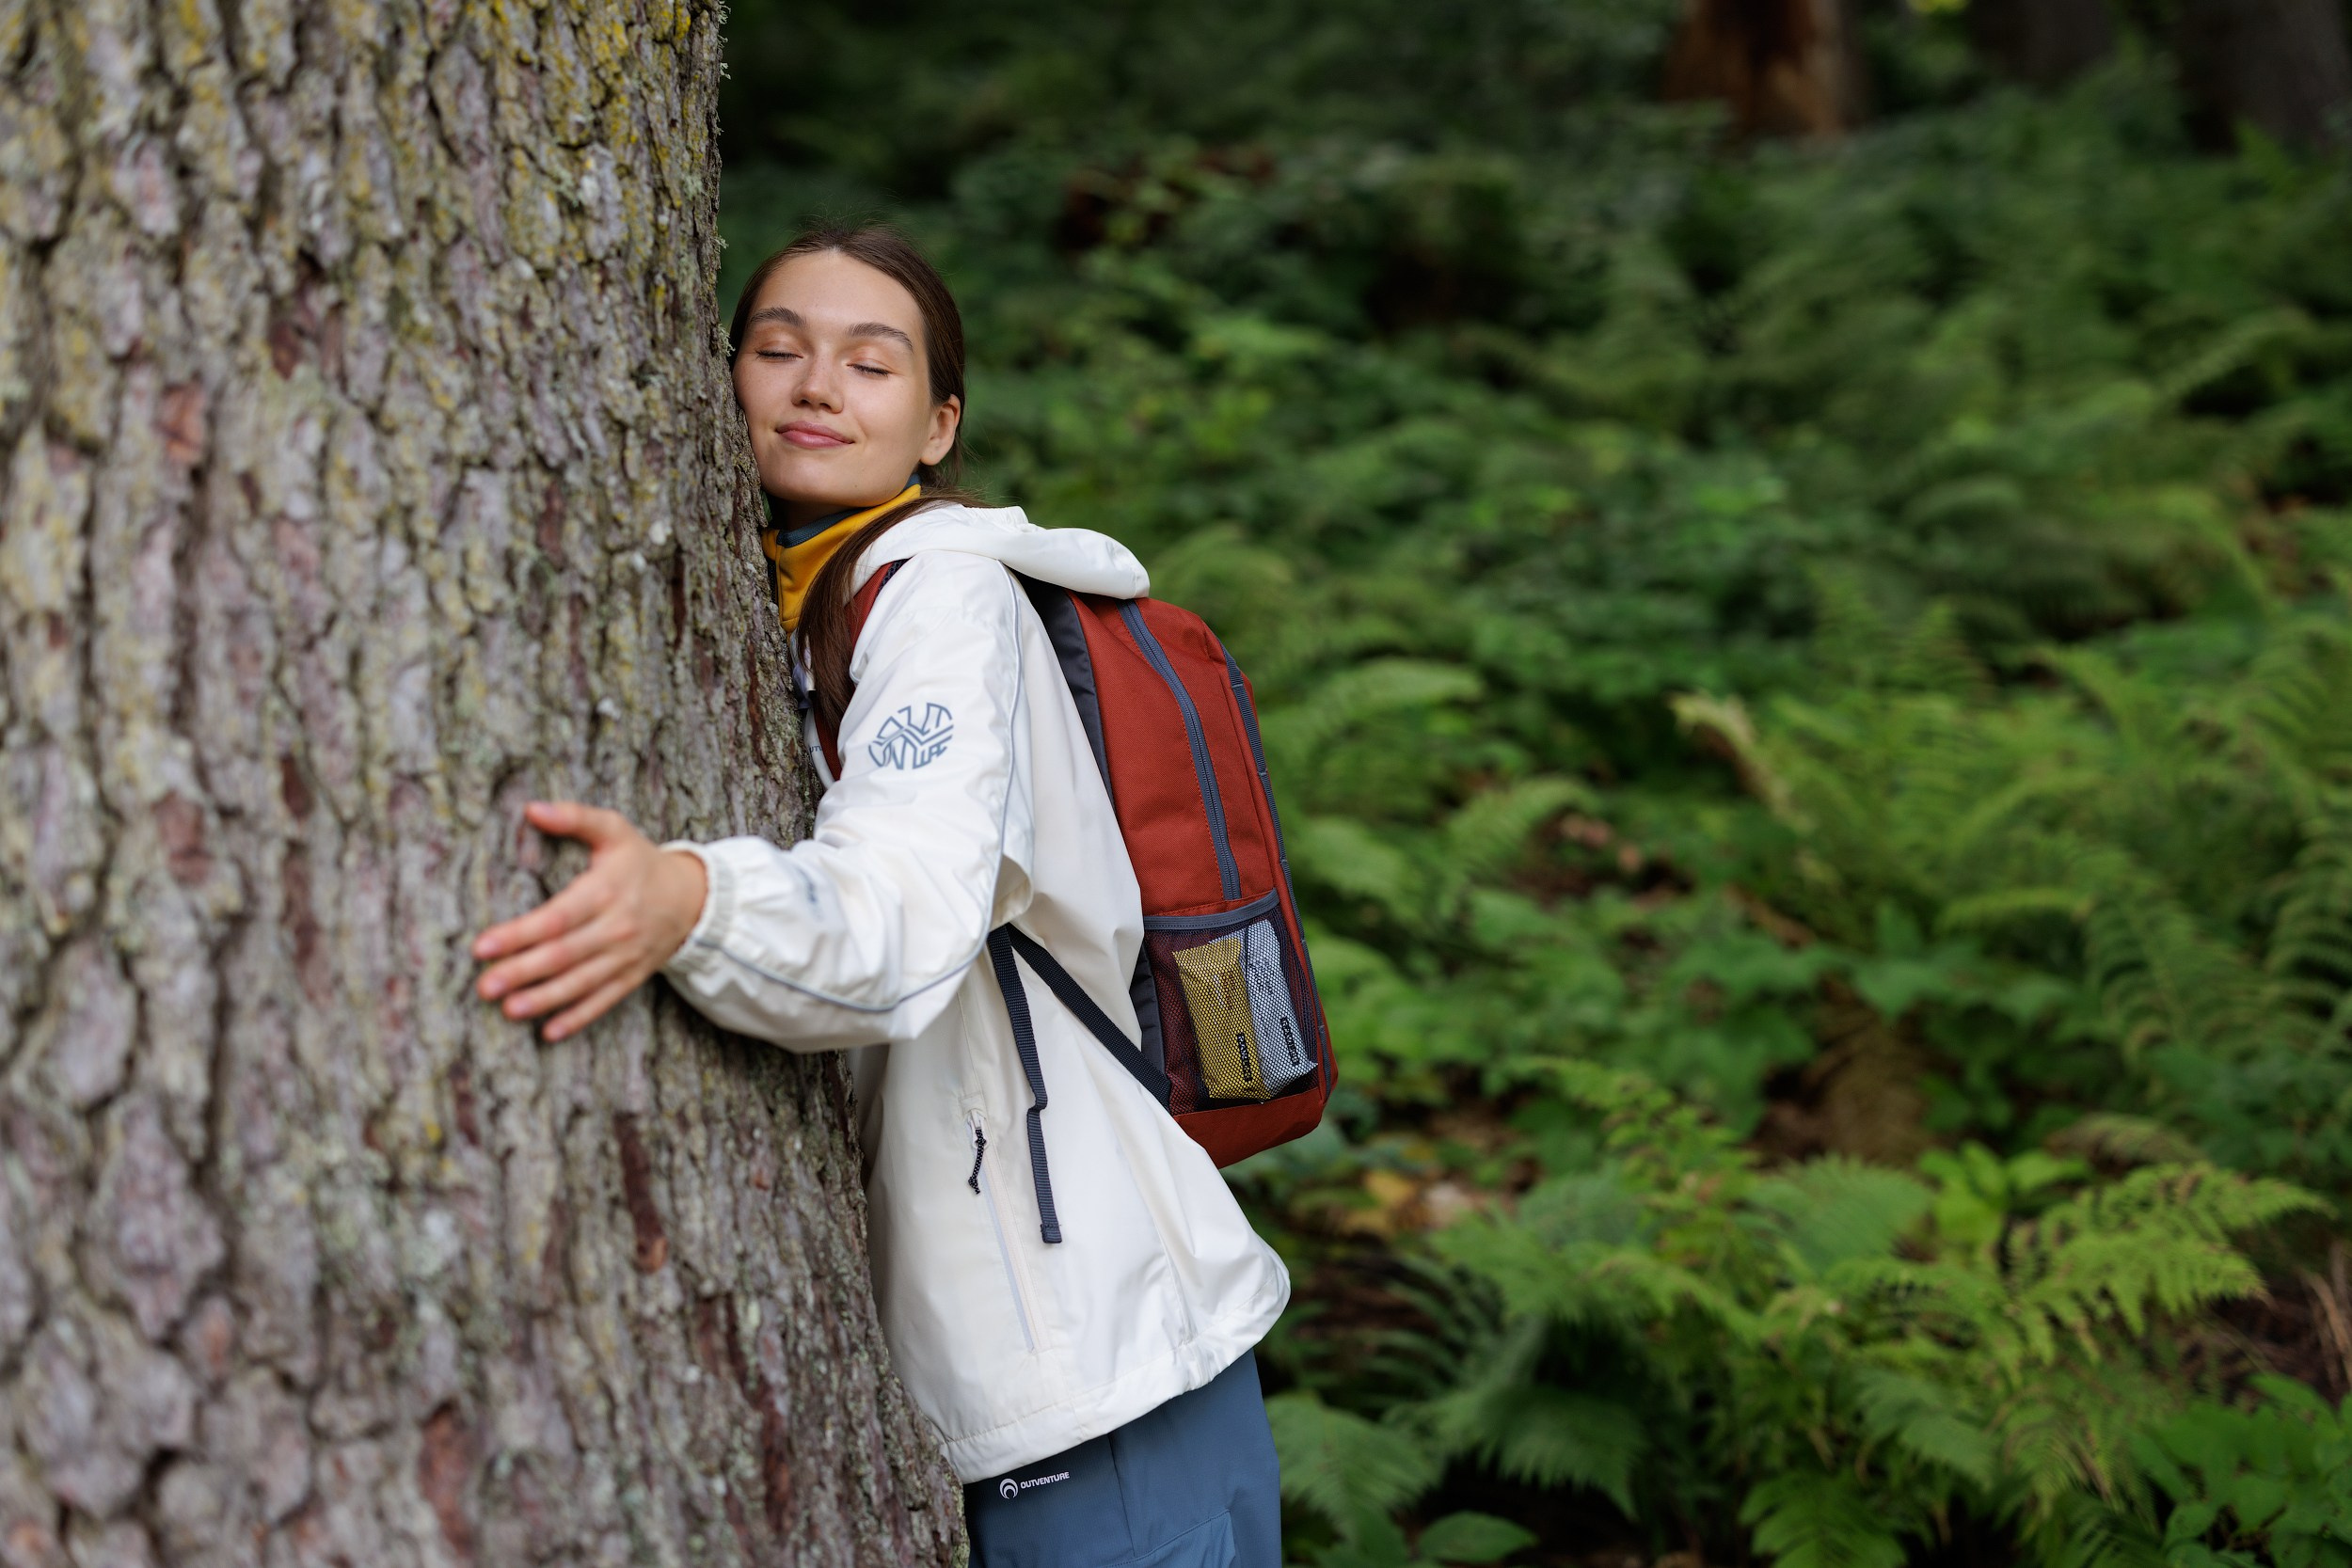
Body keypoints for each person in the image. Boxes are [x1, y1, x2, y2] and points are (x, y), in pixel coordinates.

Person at [469, 225, 1288, 1567]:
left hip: (1099, 1372)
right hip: (1057, 1354)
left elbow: (903, 912)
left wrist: (691, 902)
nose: (815, 386)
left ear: (937, 425)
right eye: (777, 348)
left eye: (871, 361)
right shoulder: (813, 595)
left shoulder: (940, 597)